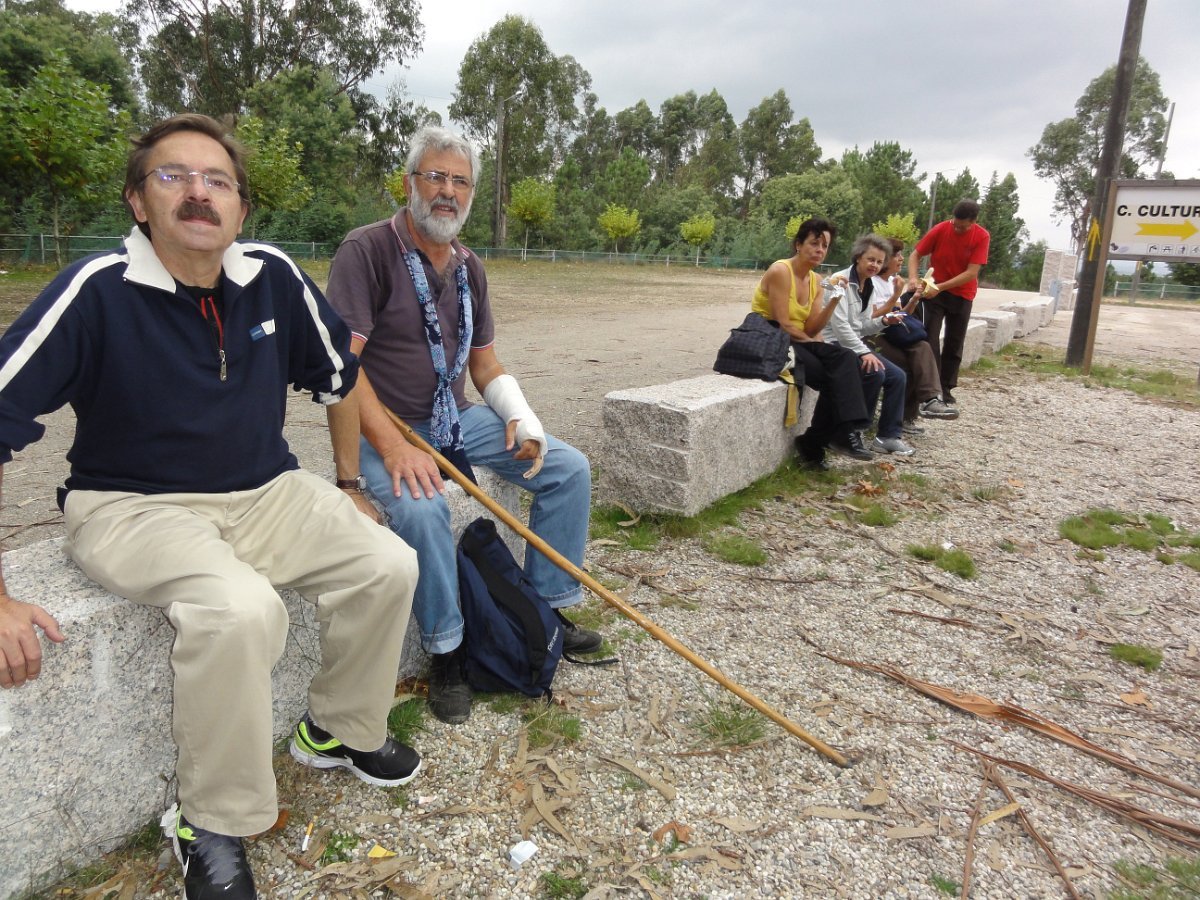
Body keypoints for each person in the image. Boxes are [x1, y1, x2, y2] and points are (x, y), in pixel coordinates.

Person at [0, 115, 421, 900]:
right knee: (240, 611)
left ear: (240, 207)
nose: (199, 191)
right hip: (133, 506)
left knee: (388, 564)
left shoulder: (272, 276)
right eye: (173, 175)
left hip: (265, 491)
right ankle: (210, 821)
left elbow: (341, 374)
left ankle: (336, 730)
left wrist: (353, 479)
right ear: (138, 201)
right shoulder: (96, 291)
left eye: (217, 180)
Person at [324, 125, 601, 726]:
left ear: (472, 193)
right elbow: (343, 367)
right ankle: (447, 650)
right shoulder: (366, 251)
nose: (447, 191)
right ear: (410, 184)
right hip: (382, 423)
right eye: (436, 177)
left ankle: (543, 609)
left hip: (454, 419)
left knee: (568, 469)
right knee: (424, 509)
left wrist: (522, 419)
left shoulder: (470, 266)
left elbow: (485, 365)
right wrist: (393, 447)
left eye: (461, 181)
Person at [750, 217, 873, 470]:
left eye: (825, 245)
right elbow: (783, 323)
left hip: (797, 340)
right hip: (770, 336)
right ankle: (829, 438)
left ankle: (824, 439)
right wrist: (814, 344)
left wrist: (834, 300)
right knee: (838, 370)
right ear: (798, 244)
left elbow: (811, 328)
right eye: (814, 243)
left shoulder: (816, 280)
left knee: (845, 362)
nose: (820, 250)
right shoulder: (780, 271)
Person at [822, 234, 914, 456]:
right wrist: (864, 352)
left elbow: (861, 325)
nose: (875, 265)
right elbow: (840, 327)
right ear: (858, 257)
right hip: (832, 343)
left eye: (879, 262)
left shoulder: (869, 285)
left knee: (898, 376)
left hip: (852, 343)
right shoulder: (839, 281)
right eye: (870, 259)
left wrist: (884, 321)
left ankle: (887, 437)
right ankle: (850, 431)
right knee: (873, 371)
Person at [906, 199, 990, 409]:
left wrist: (942, 287)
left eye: (963, 226)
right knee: (931, 337)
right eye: (956, 224)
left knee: (954, 341)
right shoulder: (941, 229)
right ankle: (932, 388)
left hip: (962, 294)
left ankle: (946, 387)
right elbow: (916, 254)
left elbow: (971, 273)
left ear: (973, 221)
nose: (958, 229)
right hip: (934, 294)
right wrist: (913, 278)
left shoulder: (982, 236)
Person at [870, 238, 958, 433]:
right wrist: (895, 297)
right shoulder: (872, 283)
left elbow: (902, 314)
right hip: (875, 334)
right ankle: (906, 415)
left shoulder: (892, 281)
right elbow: (873, 317)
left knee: (922, 348)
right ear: (885, 259)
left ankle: (929, 401)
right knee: (911, 362)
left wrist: (915, 299)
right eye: (897, 255)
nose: (902, 259)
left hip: (893, 332)